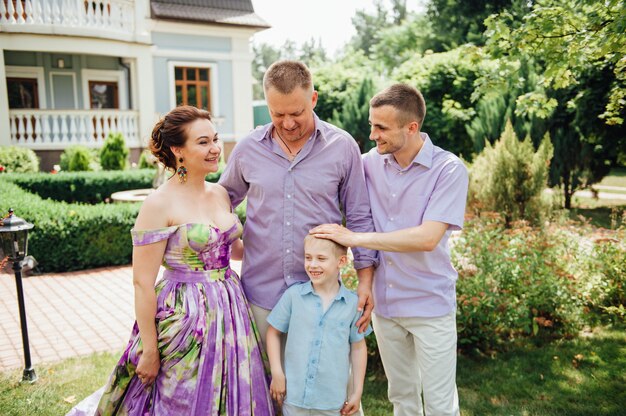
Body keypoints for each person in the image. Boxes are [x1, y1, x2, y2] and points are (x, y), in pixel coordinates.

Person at [67, 106, 273, 415]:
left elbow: (235, 249)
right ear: (178, 150)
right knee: (181, 397)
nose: (215, 148)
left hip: (231, 308)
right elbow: (142, 283)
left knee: (234, 393)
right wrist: (150, 348)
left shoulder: (219, 194)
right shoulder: (158, 203)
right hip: (185, 314)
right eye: (203, 142)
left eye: (215, 139)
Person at [311, 84, 469, 416]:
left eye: (381, 127)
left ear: (411, 128)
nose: (372, 135)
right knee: (402, 398)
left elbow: (427, 238)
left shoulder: (448, 169)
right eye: (372, 125)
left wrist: (356, 239)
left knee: (441, 405)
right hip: (385, 304)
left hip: (430, 304)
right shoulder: (367, 164)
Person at [219, 60, 377, 345]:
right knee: (264, 387)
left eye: (297, 112)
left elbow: (359, 217)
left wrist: (365, 281)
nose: (288, 123)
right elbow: (219, 202)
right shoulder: (247, 149)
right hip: (261, 296)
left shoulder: (342, 147)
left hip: (323, 295)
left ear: (313, 98)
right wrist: (231, 243)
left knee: (323, 384)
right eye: (277, 114)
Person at [266, 235, 370, 416]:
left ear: (341, 261)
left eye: (321, 258)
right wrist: (277, 372)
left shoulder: (353, 304)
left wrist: (357, 391)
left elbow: (358, 347)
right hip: (294, 397)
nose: (312, 264)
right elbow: (273, 332)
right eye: (308, 257)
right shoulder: (294, 296)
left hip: (331, 402)